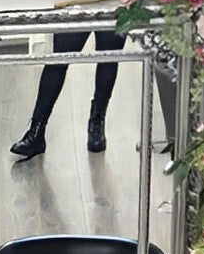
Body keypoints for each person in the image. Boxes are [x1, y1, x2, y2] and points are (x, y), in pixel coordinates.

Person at [10, 30, 127, 159]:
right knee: (59, 58)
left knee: (109, 58)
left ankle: (97, 122)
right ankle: (36, 131)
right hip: (77, 10)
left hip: (113, 11)